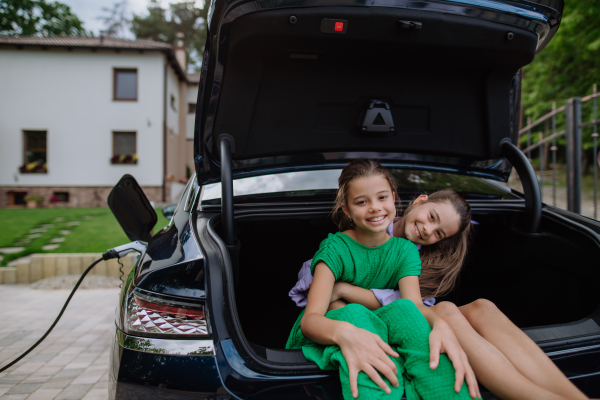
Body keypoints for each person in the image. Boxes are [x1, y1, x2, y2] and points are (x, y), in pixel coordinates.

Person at [292, 189, 590, 400]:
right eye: (431, 216)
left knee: (482, 306)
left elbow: (411, 305)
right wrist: (343, 291)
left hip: (405, 317)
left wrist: (346, 288)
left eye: (439, 233)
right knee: (446, 310)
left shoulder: (420, 260)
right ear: (421, 200)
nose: (427, 230)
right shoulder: (358, 231)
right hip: (365, 323)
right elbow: (328, 296)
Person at [286, 159, 479, 400]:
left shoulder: (405, 251)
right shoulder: (334, 249)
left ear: (394, 198)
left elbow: (415, 306)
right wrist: (344, 332)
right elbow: (310, 320)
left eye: (382, 198)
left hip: (380, 325)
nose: (375, 208)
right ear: (346, 209)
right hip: (332, 328)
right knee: (354, 313)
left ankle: (445, 391)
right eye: (362, 202)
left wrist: (441, 325)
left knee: (408, 314)